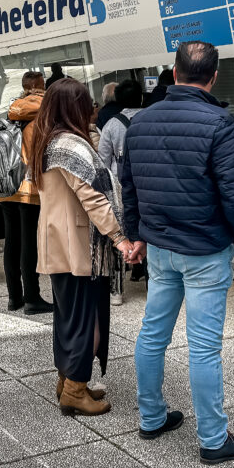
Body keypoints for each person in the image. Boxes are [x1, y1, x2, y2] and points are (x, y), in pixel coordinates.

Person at [123, 41, 234, 465]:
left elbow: (130, 188)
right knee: (202, 347)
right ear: (214, 76)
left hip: (161, 246)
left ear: (174, 71)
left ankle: (151, 417)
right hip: (203, 248)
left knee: (152, 333)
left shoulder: (140, 122)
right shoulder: (219, 122)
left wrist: (136, 235)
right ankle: (214, 439)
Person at [28, 78, 137, 417]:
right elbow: (94, 197)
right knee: (87, 320)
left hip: (59, 242)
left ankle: (68, 380)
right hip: (80, 247)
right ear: (74, 107)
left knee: (68, 317)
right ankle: (75, 389)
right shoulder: (71, 145)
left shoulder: (46, 140)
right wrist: (119, 237)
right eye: (87, 104)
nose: (92, 109)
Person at [0, 71, 52, 314]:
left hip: (5, 183)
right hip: (29, 187)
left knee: (12, 241)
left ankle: (14, 297)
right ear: (41, 86)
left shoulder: (10, 112)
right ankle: (32, 298)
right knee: (29, 242)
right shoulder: (43, 113)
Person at [97, 78, 145, 305]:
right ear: (142, 97)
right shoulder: (152, 119)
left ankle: (116, 291)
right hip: (148, 186)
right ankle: (152, 283)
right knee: (149, 233)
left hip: (120, 188)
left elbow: (103, 161)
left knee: (120, 237)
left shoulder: (111, 125)